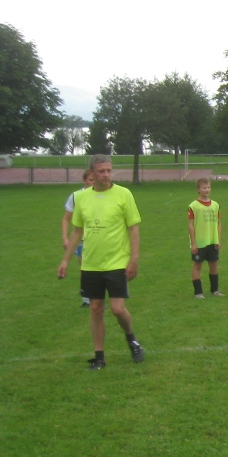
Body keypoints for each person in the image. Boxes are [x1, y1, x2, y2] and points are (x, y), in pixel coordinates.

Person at [56, 154, 144, 370]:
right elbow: (77, 231)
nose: (106, 174)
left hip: (117, 261)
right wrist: (65, 261)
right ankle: (99, 357)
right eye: (101, 171)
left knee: (117, 309)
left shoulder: (124, 194)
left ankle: (132, 339)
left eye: (109, 170)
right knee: (95, 308)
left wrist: (134, 259)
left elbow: (133, 228)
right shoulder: (82, 198)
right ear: (92, 174)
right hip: (91, 263)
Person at [61, 167, 94, 307]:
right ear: (84, 181)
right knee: (85, 268)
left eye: (95, 180)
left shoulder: (102, 196)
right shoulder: (76, 197)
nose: (93, 182)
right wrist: (65, 238)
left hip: (97, 240)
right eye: (90, 180)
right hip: (81, 241)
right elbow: (66, 219)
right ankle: (87, 299)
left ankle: (95, 298)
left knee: (97, 269)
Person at [188, 177, 223, 298]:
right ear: (198, 190)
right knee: (197, 265)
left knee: (214, 265)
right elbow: (191, 225)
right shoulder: (193, 206)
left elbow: (218, 223)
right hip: (200, 242)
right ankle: (198, 292)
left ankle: (215, 290)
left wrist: (218, 239)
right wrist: (193, 243)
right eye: (204, 188)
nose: (207, 190)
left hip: (212, 241)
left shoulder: (215, 205)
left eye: (208, 187)